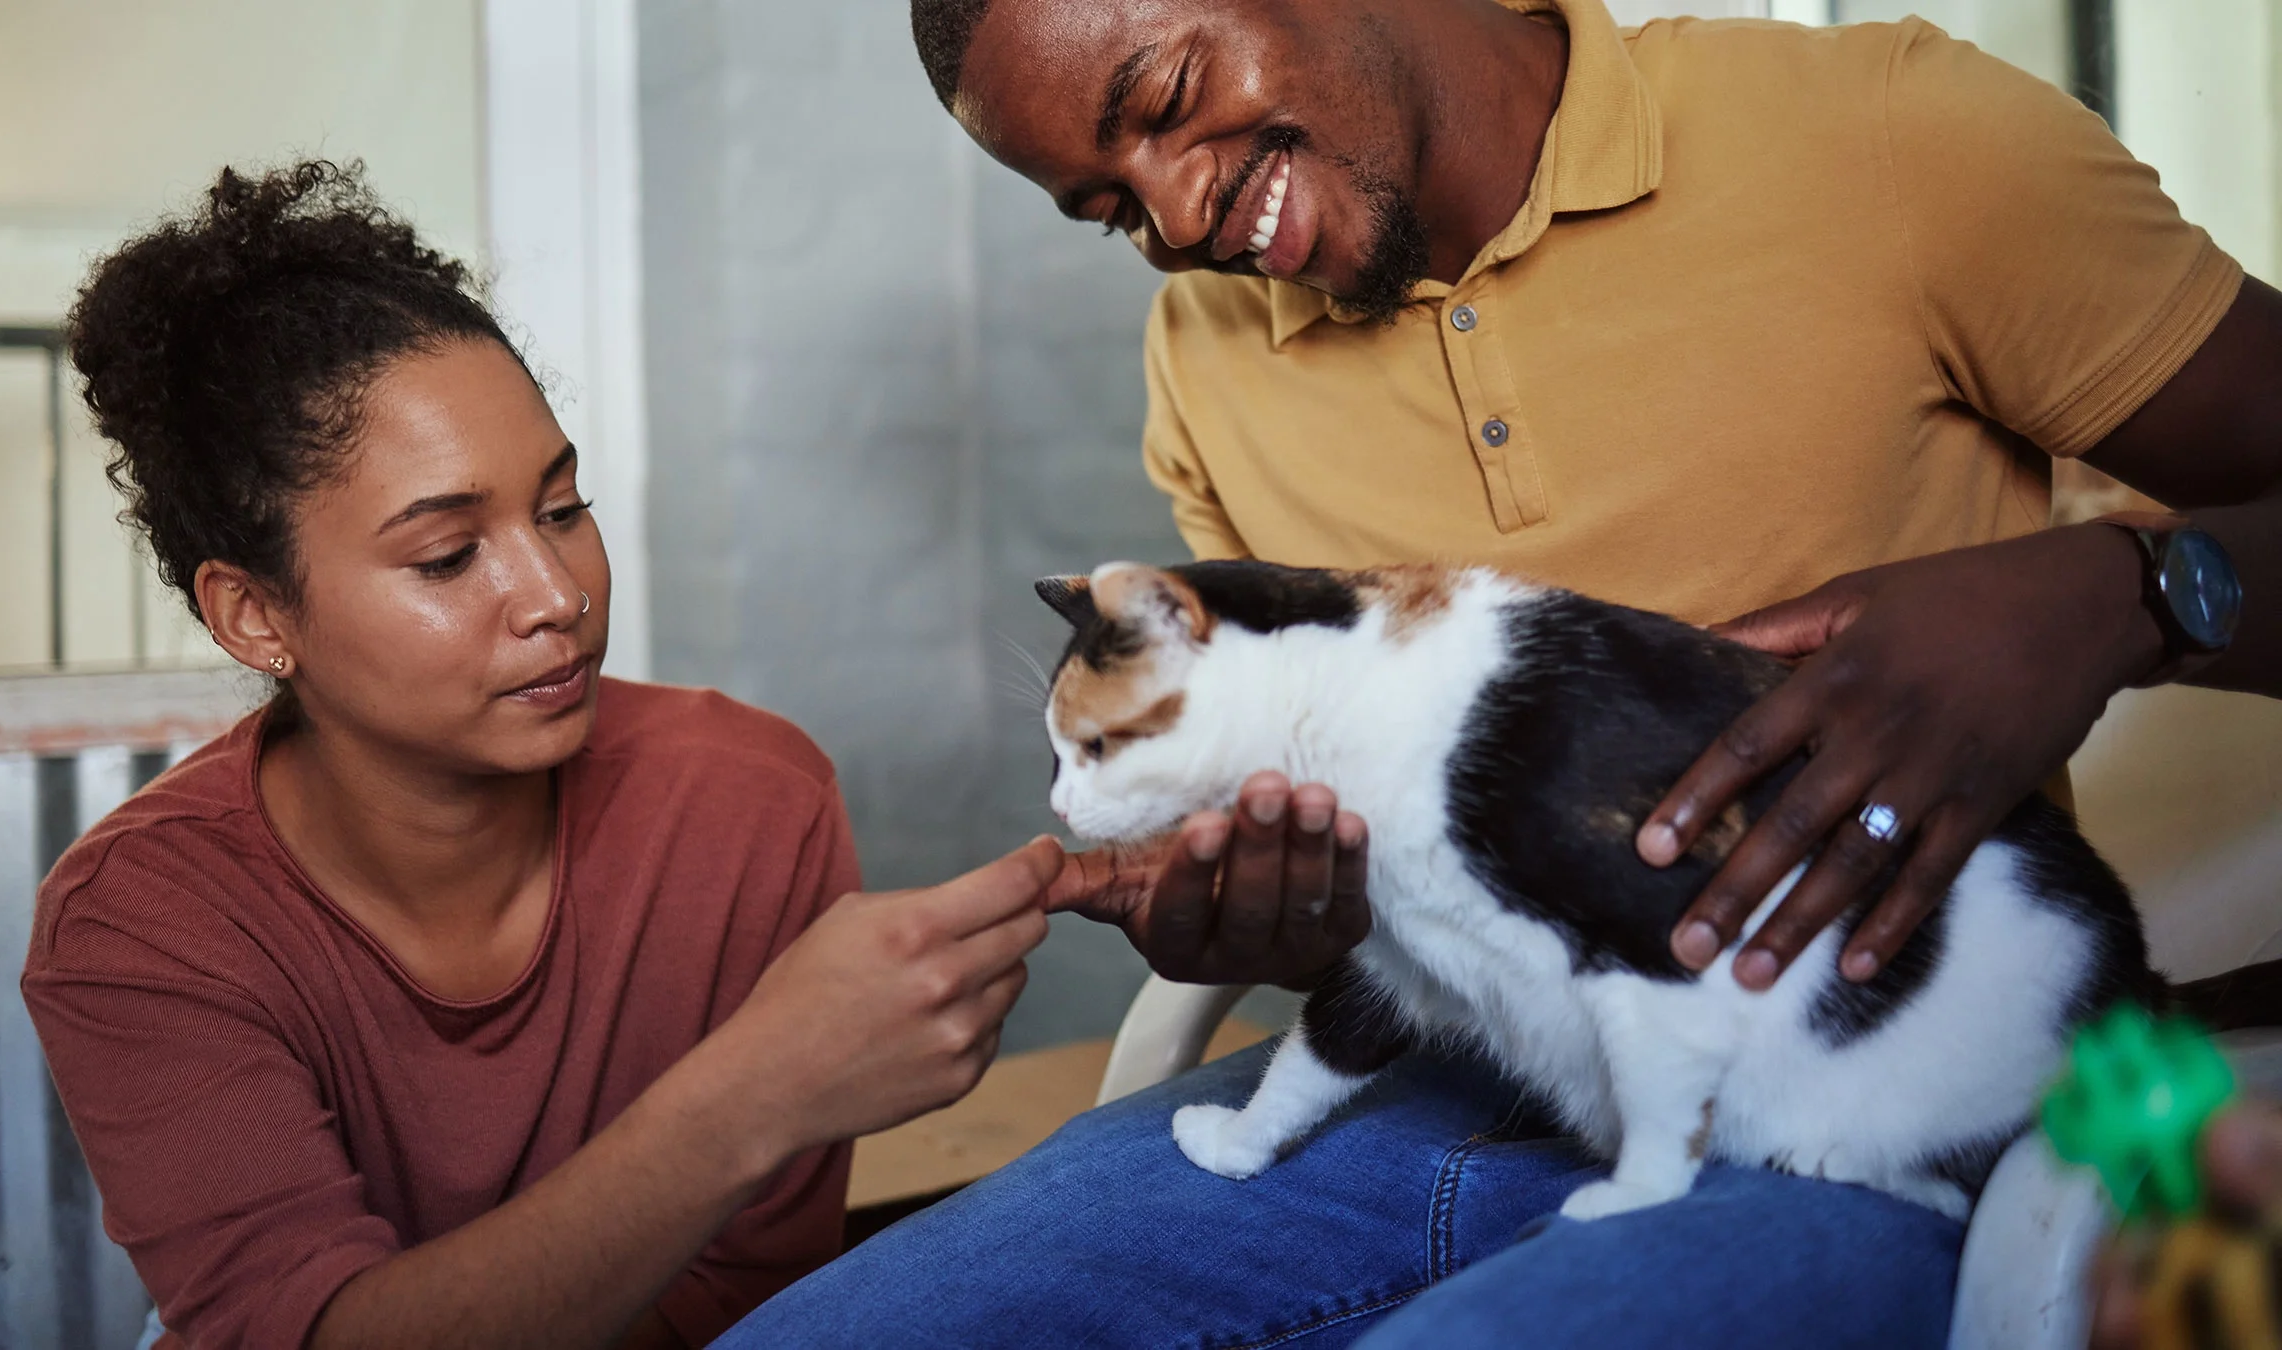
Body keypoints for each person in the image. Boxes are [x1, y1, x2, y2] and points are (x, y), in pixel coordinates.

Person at [716, 0, 2282, 1345]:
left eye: (1169, 103)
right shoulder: (1205, 346)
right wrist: (1269, 907)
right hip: (1448, 1083)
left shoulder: (1891, 136)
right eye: (1108, 207)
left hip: (1844, 1106)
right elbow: (1385, 851)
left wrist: (2130, 594)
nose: (1178, 220)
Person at [22, 161, 1366, 1350]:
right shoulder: (143, 927)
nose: (555, 591)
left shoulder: (747, 803)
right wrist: (759, 1091)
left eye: (565, 504)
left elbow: (739, 1306)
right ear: (255, 615)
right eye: (446, 554)